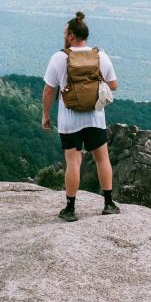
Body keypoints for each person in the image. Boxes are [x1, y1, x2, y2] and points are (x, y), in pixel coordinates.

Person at [41, 11, 119, 221]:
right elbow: (114, 85)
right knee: (102, 158)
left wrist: (45, 115)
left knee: (73, 162)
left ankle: (70, 209)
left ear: (71, 36)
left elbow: (49, 90)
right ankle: (109, 203)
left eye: (66, 32)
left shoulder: (59, 57)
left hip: (69, 121)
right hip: (95, 117)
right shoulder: (100, 56)